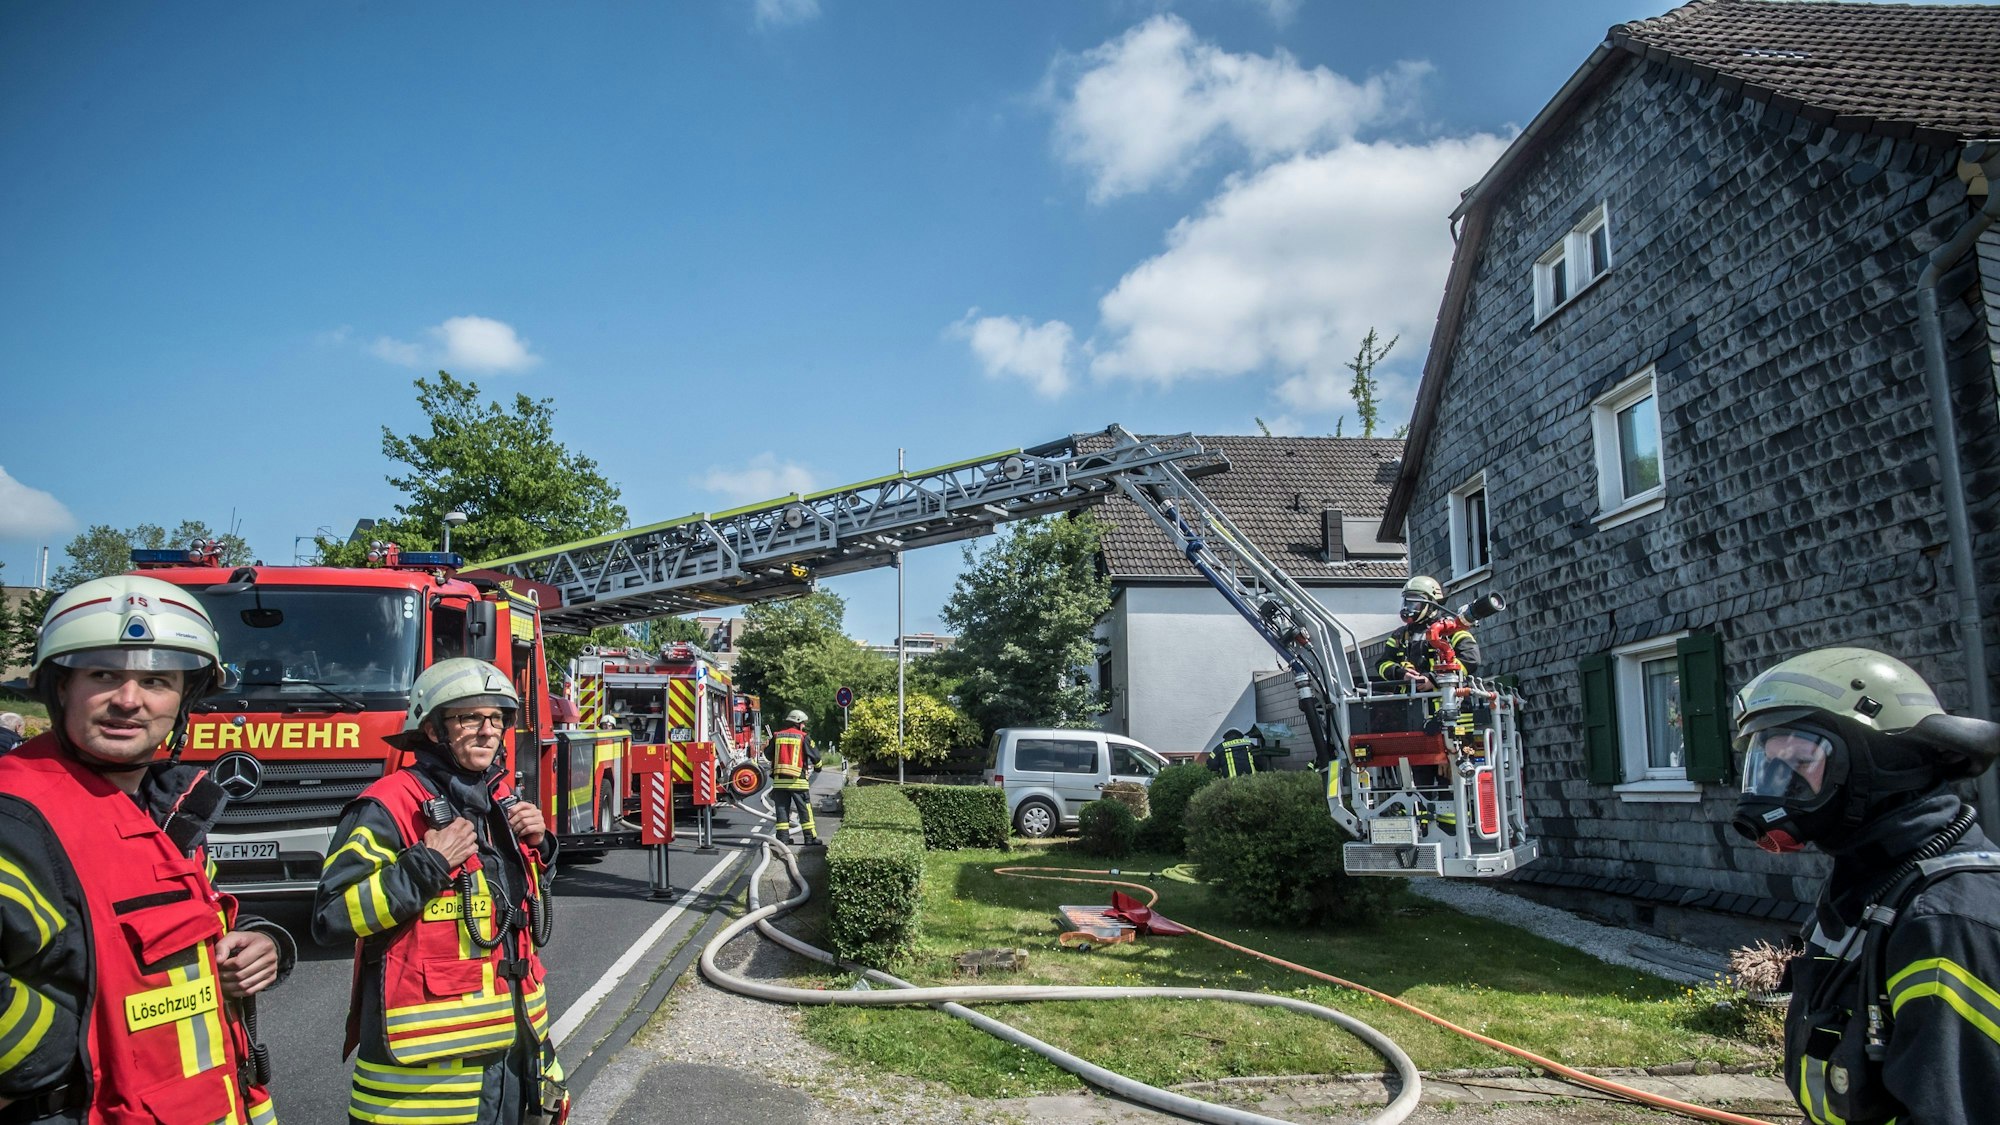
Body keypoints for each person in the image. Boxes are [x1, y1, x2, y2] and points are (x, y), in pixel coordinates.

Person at [0, 575, 291, 1123]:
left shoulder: (163, 809)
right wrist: (61, 1065)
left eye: (156, 680)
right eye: (103, 674)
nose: (129, 701)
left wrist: (251, 942)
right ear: (61, 687)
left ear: (185, 698)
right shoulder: (17, 814)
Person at [1731, 647, 2000, 1125]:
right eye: (1769, 763)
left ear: (1877, 761)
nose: (1778, 784)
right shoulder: (1867, 887)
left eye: (1798, 760)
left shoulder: (1945, 923)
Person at [313, 658, 567, 1125]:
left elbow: (510, 911)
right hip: (424, 1093)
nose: (487, 731)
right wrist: (426, 866)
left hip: (515, 1065)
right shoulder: (388, 806)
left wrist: (542, 849)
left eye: (496, 719)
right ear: (433, 730)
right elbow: (331, 916)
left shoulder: (499, 800)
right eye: (469, 716)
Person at [1376, 575, 1479, 690]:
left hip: (1450, 704)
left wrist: (1434, 679)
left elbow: (1470, 659)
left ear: (1430, 603)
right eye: (1406, 602)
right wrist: (1401, 673)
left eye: (1413, 602)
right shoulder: (1399, 636)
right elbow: (1382, 663)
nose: (1406, 608)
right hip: (1409, 705)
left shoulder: (1451, 630)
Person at [766, 709, 821, 846]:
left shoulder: (777, 736)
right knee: (804, 810)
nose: (804, 725)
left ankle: (783, 839)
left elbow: (767, 755)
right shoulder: (803, 737)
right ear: (798, 722)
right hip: (798, 782)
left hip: (779, 782)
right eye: (803, 723)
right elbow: (816, 757)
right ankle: (810, 838)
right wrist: (818, 767)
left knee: (782, 810)